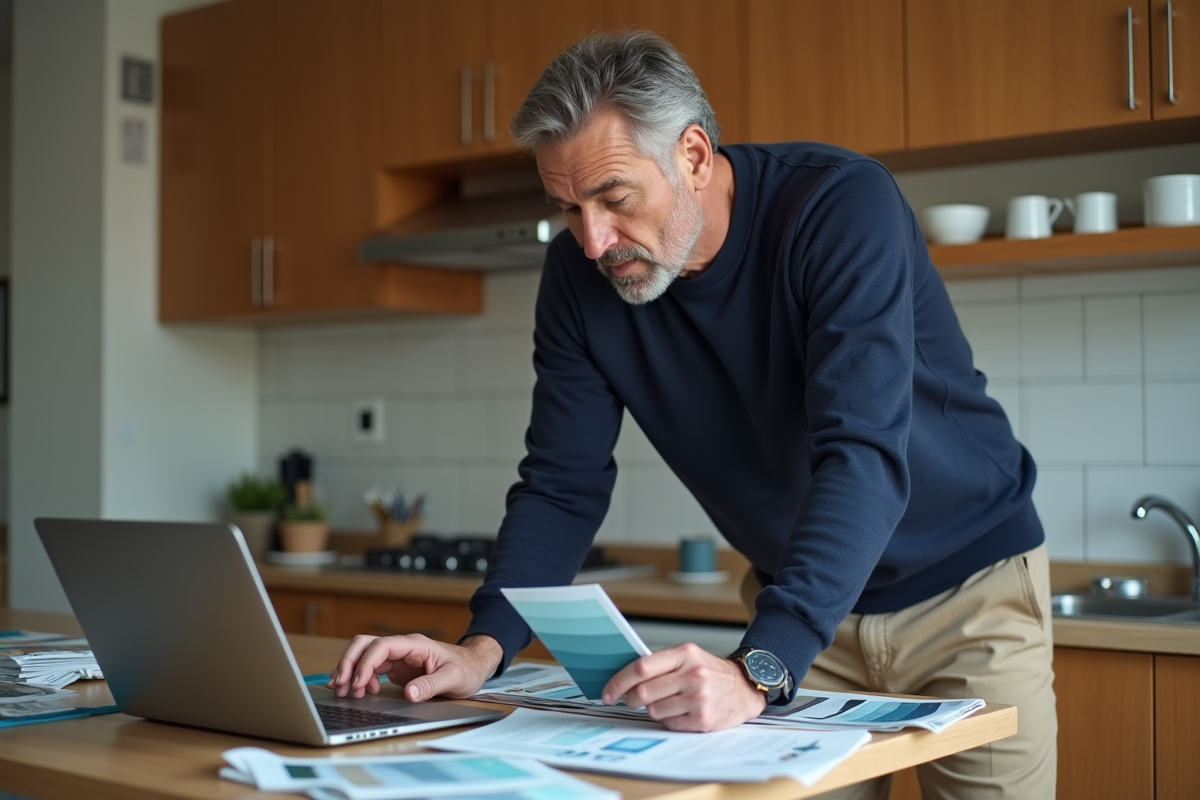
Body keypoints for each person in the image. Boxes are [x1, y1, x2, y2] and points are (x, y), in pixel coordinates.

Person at [330, 31, 1056, 799]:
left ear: (695, 156)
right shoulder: (577, 277)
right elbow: (560, 483)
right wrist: (484, 648)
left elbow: (862, 455)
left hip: (968, 596)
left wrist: (762, 665)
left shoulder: (840, 207)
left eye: (614, 198)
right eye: (569, 208)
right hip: (805, 608)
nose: (594, 241)